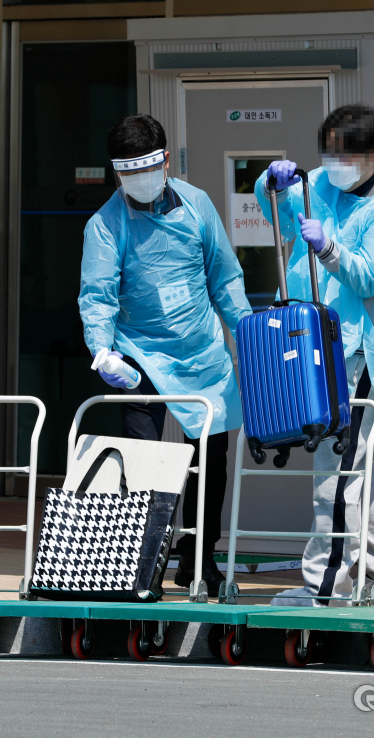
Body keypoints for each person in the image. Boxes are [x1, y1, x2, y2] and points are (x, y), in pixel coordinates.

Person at [254, 104, 374, 607]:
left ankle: (326, 585)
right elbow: (278, 214)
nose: (332, 163)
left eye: (344, 154)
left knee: (336, 466)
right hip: (319, 340)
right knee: (352, 464)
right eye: (327, 152)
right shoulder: (322, 183)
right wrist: (269, 185)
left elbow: (366, 276)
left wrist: (328, 247)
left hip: (366, 349)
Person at [79, 114, 252, 596]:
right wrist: (103, 352)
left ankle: (201, 558)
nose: (139, 181)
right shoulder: (105, 224)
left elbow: (225, 276)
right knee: (142, 460)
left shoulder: (197, 205)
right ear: (117, 174)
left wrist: (248, 336)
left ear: (166, 161)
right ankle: (141, 562)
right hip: (140, 356)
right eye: (128, 173)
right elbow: (97, 296)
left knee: (210, 459)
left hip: (202, 352)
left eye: (147, 168)